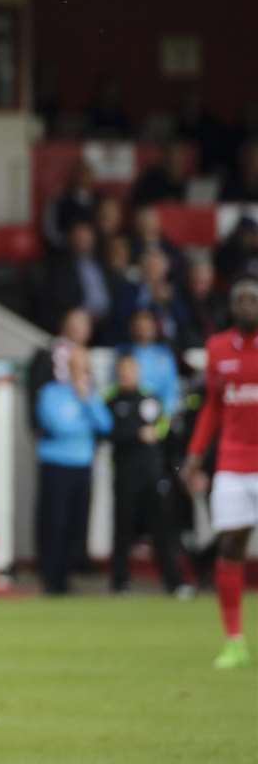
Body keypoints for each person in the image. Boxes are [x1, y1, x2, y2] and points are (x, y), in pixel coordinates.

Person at [181, 278, 258, 669]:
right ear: (231, 306)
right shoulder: (217, 348)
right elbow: (212, 407)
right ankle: (234, 640)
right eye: (240, 300)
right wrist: (195, 455)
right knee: (230, 545)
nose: (246, 306)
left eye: (252, 300)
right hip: (231, 461)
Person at [103, 354, 190, 597]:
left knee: (162, 529)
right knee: (123, 531)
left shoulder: (150, 396)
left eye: (130, 370)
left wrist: (156, 433)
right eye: (123, 370)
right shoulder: (110, 399)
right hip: (124, 474)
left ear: (138, 371)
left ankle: (175, 583)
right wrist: (136, 434)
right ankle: (120, 583)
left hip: (151, 473)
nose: (126, 374)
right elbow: (108, 431)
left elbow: (163, 426)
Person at [35, 345, 111, 595]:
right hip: (56, 464)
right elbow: (56, 425)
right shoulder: (50, 392)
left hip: (82, 464)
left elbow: (105, 424)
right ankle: (51, 579)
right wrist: (83, 426)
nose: (81, 370)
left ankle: (67, 577)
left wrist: (86, 400)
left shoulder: (90, 393)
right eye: (76, 365)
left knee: (77, 524)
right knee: (55, 523)